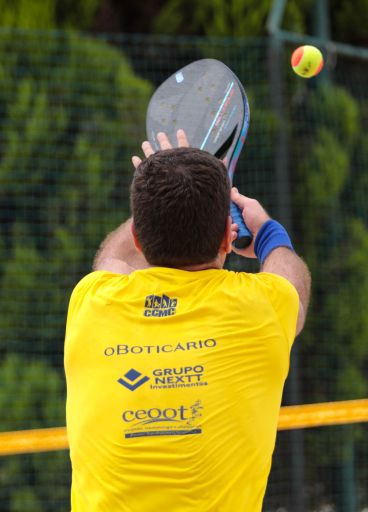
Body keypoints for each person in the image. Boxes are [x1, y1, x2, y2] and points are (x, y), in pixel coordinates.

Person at [64, 130, 311, 511]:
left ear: (138, 235)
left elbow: (114, 259)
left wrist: (159, 196)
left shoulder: (92, 303)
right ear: (228, 240)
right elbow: (290, 277)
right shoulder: (260, 307)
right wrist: (265, 233)